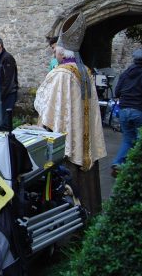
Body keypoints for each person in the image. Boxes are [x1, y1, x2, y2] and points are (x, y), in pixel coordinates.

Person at [34, 13, 106, 215]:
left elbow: (46, 108)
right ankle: (90, 213)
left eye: (56, 47)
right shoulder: (87, 71)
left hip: (67, 146)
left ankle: (68, 226)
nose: (54, 50)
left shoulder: (60, 74)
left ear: (62, 51)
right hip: (86, 143)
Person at [112, 48, 142, 177]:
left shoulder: (126, 73)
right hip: (140, 110)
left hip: (124, 110)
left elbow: (117, 92)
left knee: (127, 139)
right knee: (140, 140)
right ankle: (136, 168)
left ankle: (118, 163)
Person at [0, 36, 19, 132]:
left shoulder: (7, 58)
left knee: (5, 124)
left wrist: (0, 96)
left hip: (8, 95)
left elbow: (8, 81)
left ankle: (8, 145)